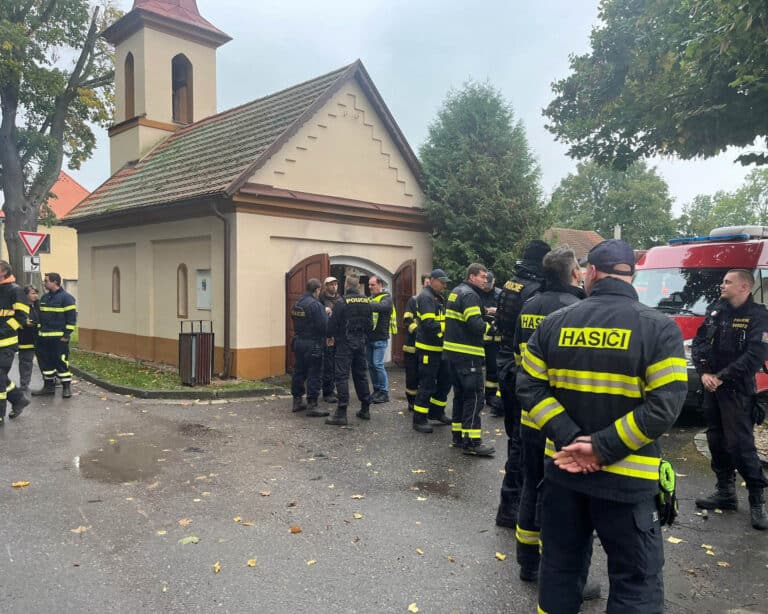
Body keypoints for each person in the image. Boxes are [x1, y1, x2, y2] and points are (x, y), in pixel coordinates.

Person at [516, 239, 687, 613]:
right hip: (627, 485)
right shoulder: (660, 329)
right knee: (635, 581)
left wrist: (572, 439)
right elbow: (665, 408)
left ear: (591, 272)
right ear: (633, 275)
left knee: (559, 569)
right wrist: (601, 447)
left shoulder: (554, 324)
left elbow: (528, 385)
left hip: (563, 474)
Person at [511, 246, 585, 582]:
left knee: (530, 484)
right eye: (580, 267)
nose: (583, 272)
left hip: (531, 416)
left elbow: (516, 355)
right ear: (572, 273)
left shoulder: (530, 305)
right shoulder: (578, 309)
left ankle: (527, 561)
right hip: (561, 421)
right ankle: (555, 569)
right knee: (559, 495)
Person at [692, 268, 768, 530]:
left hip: (737, 390)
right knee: (716, 440)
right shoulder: (717, 310)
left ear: (744, 287)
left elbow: (755, 355)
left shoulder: (759, 317)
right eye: (723, 281)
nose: (722, 286)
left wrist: (722, 376)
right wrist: (704, 373)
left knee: (740, 445)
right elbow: (700, 342)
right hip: (713, 389)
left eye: (728, 282)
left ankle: (757, 499)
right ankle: (725, 493)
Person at [494, 239, 550, 527]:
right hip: (522, 369)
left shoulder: (511, 284)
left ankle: (510, 503)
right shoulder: (536, 290)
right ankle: (511, 507)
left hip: (506, 364)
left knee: (514, 437)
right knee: (520, 440)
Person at [445, 263, 495, 456]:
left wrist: (485, 312)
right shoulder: (470, 295)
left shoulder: (457, 291)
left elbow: (465, 317)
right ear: (472, 276)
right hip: (468, 355)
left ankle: (458, 436)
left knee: (460, 396)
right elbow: (475, 324)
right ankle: (473, 442)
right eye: (482, 276)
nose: (485, 280)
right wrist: (492, 328)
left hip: (453, 354)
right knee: (474, 397)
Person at [326, 276, 372, 426]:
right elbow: (370, 324)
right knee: (361, 375)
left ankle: (341, 412)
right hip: (360, 342)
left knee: (341, 376)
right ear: (358, 285)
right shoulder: (366, 301)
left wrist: (329, 336)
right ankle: (365, 408)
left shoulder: (342, 302)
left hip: (345, 344)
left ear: (346, 284)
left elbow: (332, 324)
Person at [412, 269, 452, 433]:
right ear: (432, 280)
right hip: (428, 349)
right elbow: (429, 324)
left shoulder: (438, 297)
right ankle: (419, 419)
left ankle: (436, 412)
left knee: (445, 381)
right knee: (427, 384)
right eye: (441, 282)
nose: (444, 285)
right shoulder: (426, 297)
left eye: (445, 282)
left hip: (440, 348)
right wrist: (450, 327)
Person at [33, 272, 77, 399]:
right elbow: (41, 317)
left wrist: (66, 335)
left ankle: (66, 388)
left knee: (61, 362)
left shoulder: (66, 298)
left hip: (59, 339)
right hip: (44, 338)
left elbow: (71, 319)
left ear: (55, 282)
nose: (44, 283)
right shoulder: (45, 298)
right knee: (46, 363)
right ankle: (48, 387)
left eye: (46, 281)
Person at [290, 278, 329, 418]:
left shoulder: (297, 303)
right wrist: (327, 314)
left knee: (299, 371)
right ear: (316, 290)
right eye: (319, 290)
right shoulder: (316, 305)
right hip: (313, 343)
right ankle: (312, 404)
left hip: (299, 342)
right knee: (315, 373)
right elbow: (324, 326)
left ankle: (297, 401)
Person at [0, 261, 30, 423]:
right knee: (1, 377)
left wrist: (2, 331)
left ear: (4, 272)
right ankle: (18, 399)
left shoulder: (15, 290)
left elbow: (20, 318)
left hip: (5, 344)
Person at [403, 275, 430, 411]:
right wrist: (421, 331)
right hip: (412, 347)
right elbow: (407, 321)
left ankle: (423, 401)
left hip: (426, 347)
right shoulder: (414, 300)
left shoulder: (435, 301)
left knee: (425, 376)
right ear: (422, 284)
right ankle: (411, 401)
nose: (429, 285)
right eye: (427, 283)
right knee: (412, 376)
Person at [367, 275, 395, 404]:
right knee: (371, 365)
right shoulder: (371, 299)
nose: (370, 287)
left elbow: (381, 307)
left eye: (372, 285)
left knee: (378, 365)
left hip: (380, 338)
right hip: (369, 338)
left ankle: (384, 392)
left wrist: (365, 304)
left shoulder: (386, 298)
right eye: (369, 285)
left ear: (380, 285)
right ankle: (377, 390)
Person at [480, 271, 502, 415]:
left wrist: (497, 311)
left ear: (494, 282)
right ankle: (486, 396)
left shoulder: (500, 294)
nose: (486, 286)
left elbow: (507, 311)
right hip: (482, 337)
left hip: (496, 338)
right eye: (485, 283)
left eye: (489, 283)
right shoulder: (478, 293)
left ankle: (491, 396)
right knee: (481, 368)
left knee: (493, 368)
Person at [320, 276, 343, 403]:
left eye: (335, 284)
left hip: (338, 336)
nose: (334, 286)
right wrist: (324, 311)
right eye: (331, 284)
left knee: (335, 365)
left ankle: (332, 389)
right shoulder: (320, 299)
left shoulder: (340, 299)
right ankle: (327, 392)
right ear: (326, 286)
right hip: (327, 337)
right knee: (327, 365)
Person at [17, 285, 41, 392]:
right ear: (25, 295)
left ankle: (51, 382)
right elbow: (17, 320)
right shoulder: (20, 307)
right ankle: (24, 384)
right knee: (26, 363)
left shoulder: (40, 306)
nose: (35, 295)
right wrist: (24, 323)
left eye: (36, 293)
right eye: (32, 293)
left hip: (40, 339)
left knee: (45, 362)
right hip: (25, 339)